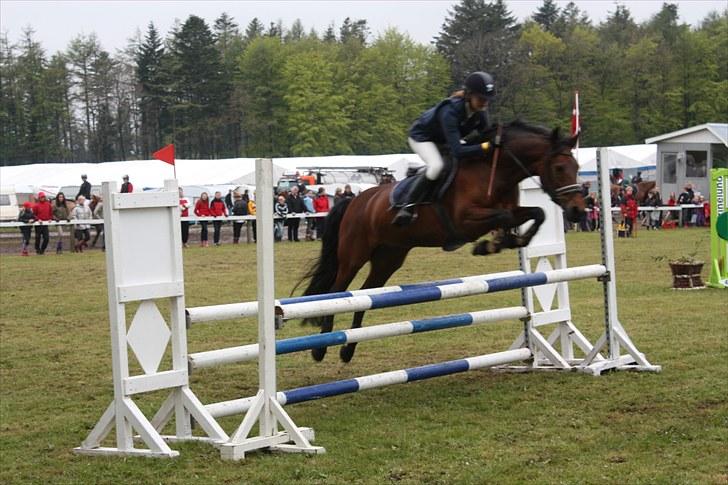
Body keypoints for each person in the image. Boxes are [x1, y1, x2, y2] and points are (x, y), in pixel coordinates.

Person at [393, 71, 495, 225]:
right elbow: (459, 151)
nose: (485, 103)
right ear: (469, 95)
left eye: (487, 99)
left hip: (444, 140)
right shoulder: (450, 112)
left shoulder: (480, 112)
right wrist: (486, 146)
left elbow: (487, 135)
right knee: (437, 166)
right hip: (422, 138)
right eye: (481, 99)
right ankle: (408, 206)